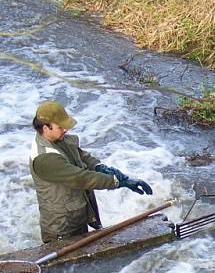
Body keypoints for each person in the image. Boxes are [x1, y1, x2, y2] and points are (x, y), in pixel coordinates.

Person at [30, 101, 153, 243]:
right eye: (60, 127)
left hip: (74, 215)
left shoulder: (58, 139)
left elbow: (82, 156)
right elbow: (81, 178)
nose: (65, 130)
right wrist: (119, 182)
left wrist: (100, 167)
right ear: (46, 128)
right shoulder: (45, 158)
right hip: (61, 227)